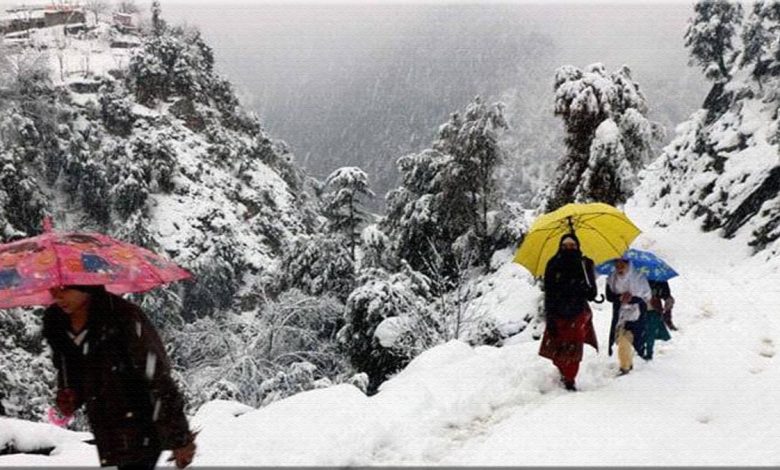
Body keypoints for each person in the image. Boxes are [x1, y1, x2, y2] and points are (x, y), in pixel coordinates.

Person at [42, 285, 196, 469]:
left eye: (64, 289)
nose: (57, 296)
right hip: (105, 427)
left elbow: (157, 377)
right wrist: (71, 396)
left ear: (86, 286)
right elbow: (74, 371)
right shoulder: (57, 323)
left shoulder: (122, 317)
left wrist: (180, 437)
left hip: (142, 422)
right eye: (53, 289)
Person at [539, 233, 599, 391]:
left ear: (578, 246)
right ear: (560, 247)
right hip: (557, 311)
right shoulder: (553, 264)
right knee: (558, 346)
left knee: (574, 347)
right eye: (565, 246)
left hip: (577, 311)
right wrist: (549, 316)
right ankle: (563, 371)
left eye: (572, 246)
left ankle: (570, 378)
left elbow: (592, 293)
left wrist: (586, 289)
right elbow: (549, 292)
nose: (568, 249)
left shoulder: (585, 264)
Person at [606, 258, 651, 375]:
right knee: (620, 339)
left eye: (623, 264)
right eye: (617, 264)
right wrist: (620, 297)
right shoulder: (612, 278)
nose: (619, 267)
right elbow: (609, 296)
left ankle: (625, 367)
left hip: (636, 315)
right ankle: (627, 363)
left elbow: (646, 297)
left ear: (629, 265)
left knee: (626, 340)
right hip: (620, 315)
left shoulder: (639, 278)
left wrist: (632, 299)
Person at [645, 280, 673, 360]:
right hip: (638, 310)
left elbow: (666, 294)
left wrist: (667, 301)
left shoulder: (659, 280)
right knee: (641, 332)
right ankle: (641, 349)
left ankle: (649, 353)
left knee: (650, 332)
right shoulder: (636, 278)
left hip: (653, 309)